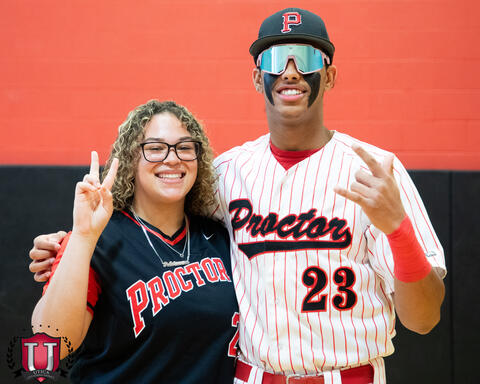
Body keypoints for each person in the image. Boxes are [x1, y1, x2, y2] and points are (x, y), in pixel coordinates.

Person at [30, 8, 446, 384]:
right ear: (256, 77)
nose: (289, 72)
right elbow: (40, 355)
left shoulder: (377, 170)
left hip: (349, 375)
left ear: (330, 75)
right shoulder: (227, 176)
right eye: (272, 60)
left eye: (306, 59)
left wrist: (398, 229)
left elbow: (424, 319)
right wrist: (71, 246)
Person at [30, 100, 239, 383]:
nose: (173, 158)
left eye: (185, 147)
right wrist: (82, 237)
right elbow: (50, 341)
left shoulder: (220, 238)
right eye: (155, 148)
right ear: (131, 159)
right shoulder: (98, 239)